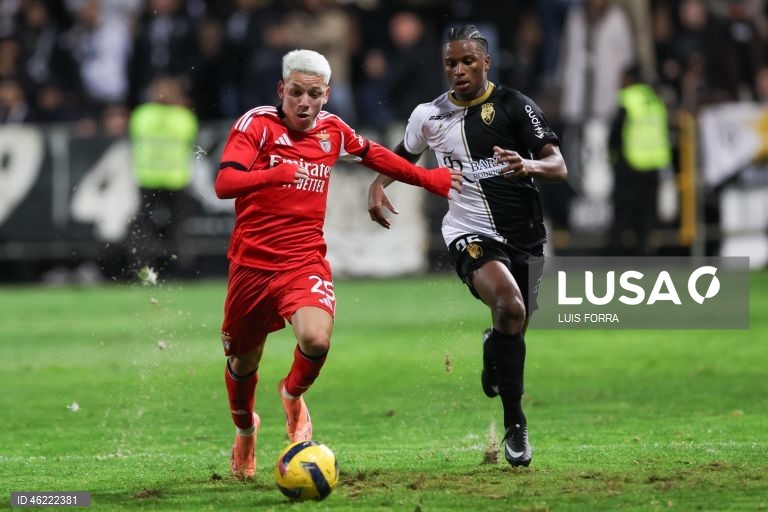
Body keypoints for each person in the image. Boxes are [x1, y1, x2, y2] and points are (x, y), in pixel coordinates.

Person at [215, 49, 462, 480]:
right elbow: (225, 183)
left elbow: (375, 155)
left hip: (302, 261)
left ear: (326, 95)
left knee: (316, 339)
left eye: (313, 94)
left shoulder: (333, 130)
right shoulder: (255, 125)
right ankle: (245, 430)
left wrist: (429, 180)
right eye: (296, 93)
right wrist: (271, 175)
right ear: (282, 90)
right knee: (242, 364)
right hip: (251, 267)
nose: (304, 102)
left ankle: (292, 396)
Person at [368, 26, 567, 468]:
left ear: (486, 63)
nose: (458, 71)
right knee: (511, 308)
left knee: (513, 324)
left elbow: (558, 164)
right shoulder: (429, 115)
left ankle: (493, 347)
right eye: (451, 64)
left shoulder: (514, 106)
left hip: (526, 236)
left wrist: (528, 163)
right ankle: (516, 424)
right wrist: (378, 184)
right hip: (468, 232)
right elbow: (405, 153)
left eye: (468, 62)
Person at [128, 74, 198, 278]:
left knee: (144, 228)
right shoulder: (184, 116)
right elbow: (189, 134)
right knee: (177, 230)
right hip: (175, 178)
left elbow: (135, 132)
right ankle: (181, 272)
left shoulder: (141, 115)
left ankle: (141, 271)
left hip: (148, 177)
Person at [607, 64, 672, 256]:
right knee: (647, 221)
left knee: (622, 219)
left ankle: (614, 262)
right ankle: (644, 262)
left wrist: (613, 159)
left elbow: (616, 134)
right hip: (653, 167)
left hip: (631, 166)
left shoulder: (629, 98)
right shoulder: (655, 98)